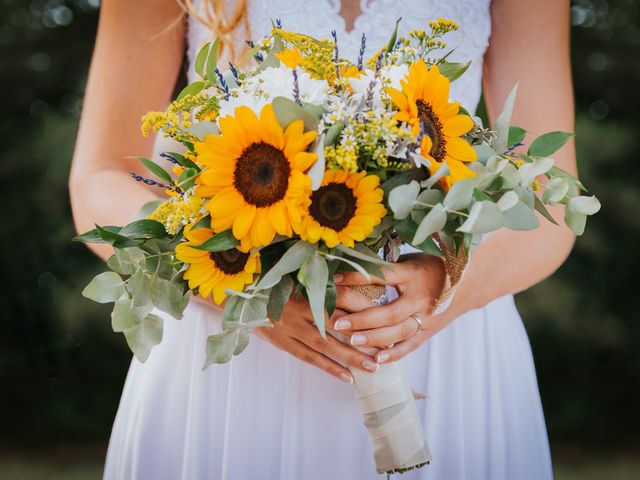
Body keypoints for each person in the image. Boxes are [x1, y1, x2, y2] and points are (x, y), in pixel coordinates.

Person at [69, 0, 576, 478]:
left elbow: (552, 193)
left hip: (453, 347)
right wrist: (245, 293)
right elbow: (100, 176)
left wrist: (447, 282)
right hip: (233, 345)